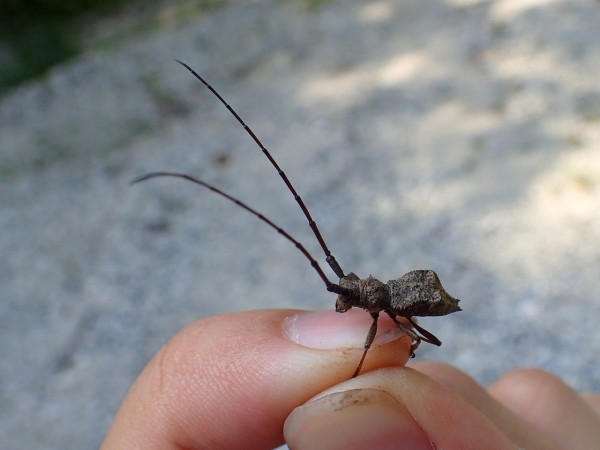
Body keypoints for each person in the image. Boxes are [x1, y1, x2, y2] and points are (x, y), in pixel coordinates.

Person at [101, 309, 600, 449]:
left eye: (347, 298)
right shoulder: (369, 304)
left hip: (410, 301)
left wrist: (365, 365)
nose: (342, 303)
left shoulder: (382, 312)